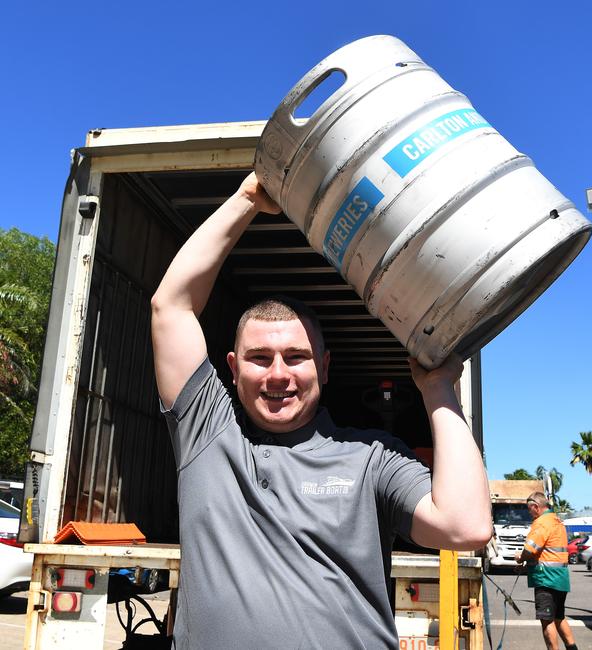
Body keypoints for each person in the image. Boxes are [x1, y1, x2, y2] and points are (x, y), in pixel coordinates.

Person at [151, 172, 492, 649]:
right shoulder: (206, 433)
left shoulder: (372, 457)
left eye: (296, 357)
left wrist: (438, 390)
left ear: (324, 368)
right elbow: (171, 308)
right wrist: (246, 199)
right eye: (259, 358)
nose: (277, 375)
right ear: (232, 367)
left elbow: (466, 526)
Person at [515, 492, 578, 650]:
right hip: (560, 578)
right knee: (558, 617)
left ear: (536, 507)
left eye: (530, 509)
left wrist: (520, 558)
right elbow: (548, 550)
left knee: (546, 620)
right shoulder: (557, 521)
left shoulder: (542, 522)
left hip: (546, 578)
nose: (529, 513)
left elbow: (530, 548)